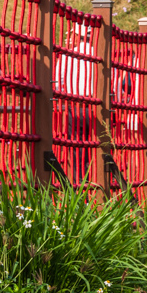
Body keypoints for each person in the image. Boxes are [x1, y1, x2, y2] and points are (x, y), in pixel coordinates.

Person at [54, 21, 96, 182]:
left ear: (77, 35)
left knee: (76, 147)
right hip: (95, 107)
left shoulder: (68, 54)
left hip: (76, 104)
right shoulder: (98, 53)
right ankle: (93, 182)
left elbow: (57, 82)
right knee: (94, 147)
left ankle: (79, 184)